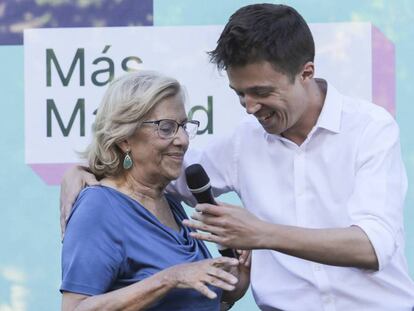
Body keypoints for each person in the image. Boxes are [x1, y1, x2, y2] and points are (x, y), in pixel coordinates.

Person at [60, 3, 414, 311]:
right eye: (239, 94)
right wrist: (80, 171)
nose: (249, 108)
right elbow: (152, 164)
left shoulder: (369, 128)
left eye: (261, 92)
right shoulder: (242, 143)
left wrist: (260, 233)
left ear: (306, 72)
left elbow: (372, 245)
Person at [60, 71, 250, 311]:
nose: (182, 139)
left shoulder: (169, 201)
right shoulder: (99, 207)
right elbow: (74, 308)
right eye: (167, 127)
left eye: (183, 126)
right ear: (125, 139)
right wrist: (169, 279)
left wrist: (232, 286)